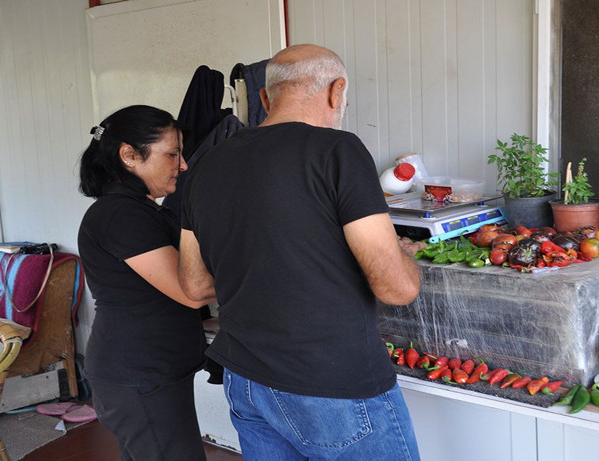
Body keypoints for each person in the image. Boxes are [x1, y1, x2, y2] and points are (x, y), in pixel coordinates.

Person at [178, 45, 422, 460]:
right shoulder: (338, 151)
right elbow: (396, 289)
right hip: (330, 382)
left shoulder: (206, 165)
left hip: (246, 379)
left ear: (265, 99)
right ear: (337, 91)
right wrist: (405, 257)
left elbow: (195, 285)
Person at [77, 105, 215, 461]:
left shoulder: (144, 209)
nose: (182, 165)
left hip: (149, 372)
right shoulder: (120, 215)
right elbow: (192, 291)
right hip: (137, 375)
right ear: (129, 156)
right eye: (172, 154)